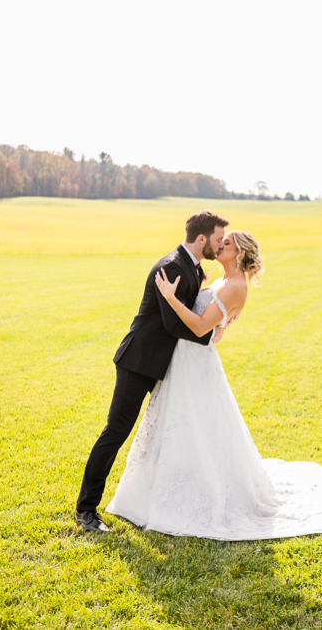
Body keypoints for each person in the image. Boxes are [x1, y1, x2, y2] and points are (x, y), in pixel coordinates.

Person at [105, 230, 322, 540]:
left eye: (226, 243)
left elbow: (200, 326)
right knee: (179, 424)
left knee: (199, 424)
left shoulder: (237, 287)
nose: (219, 245)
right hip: (182, 360)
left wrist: (171, 299)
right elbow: (213, 324)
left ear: (239, 253)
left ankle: (200, 491)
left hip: (196, 363)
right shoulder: (220, 282)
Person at [75, 211, 229, 532]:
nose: (220, 245)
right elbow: (173, 323)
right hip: (138, 362)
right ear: (202, 239)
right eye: (217, 239)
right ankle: (86, 509)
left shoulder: (192, 267)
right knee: (116, 431)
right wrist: (207, 333)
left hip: (161, 366)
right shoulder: (171, 267)